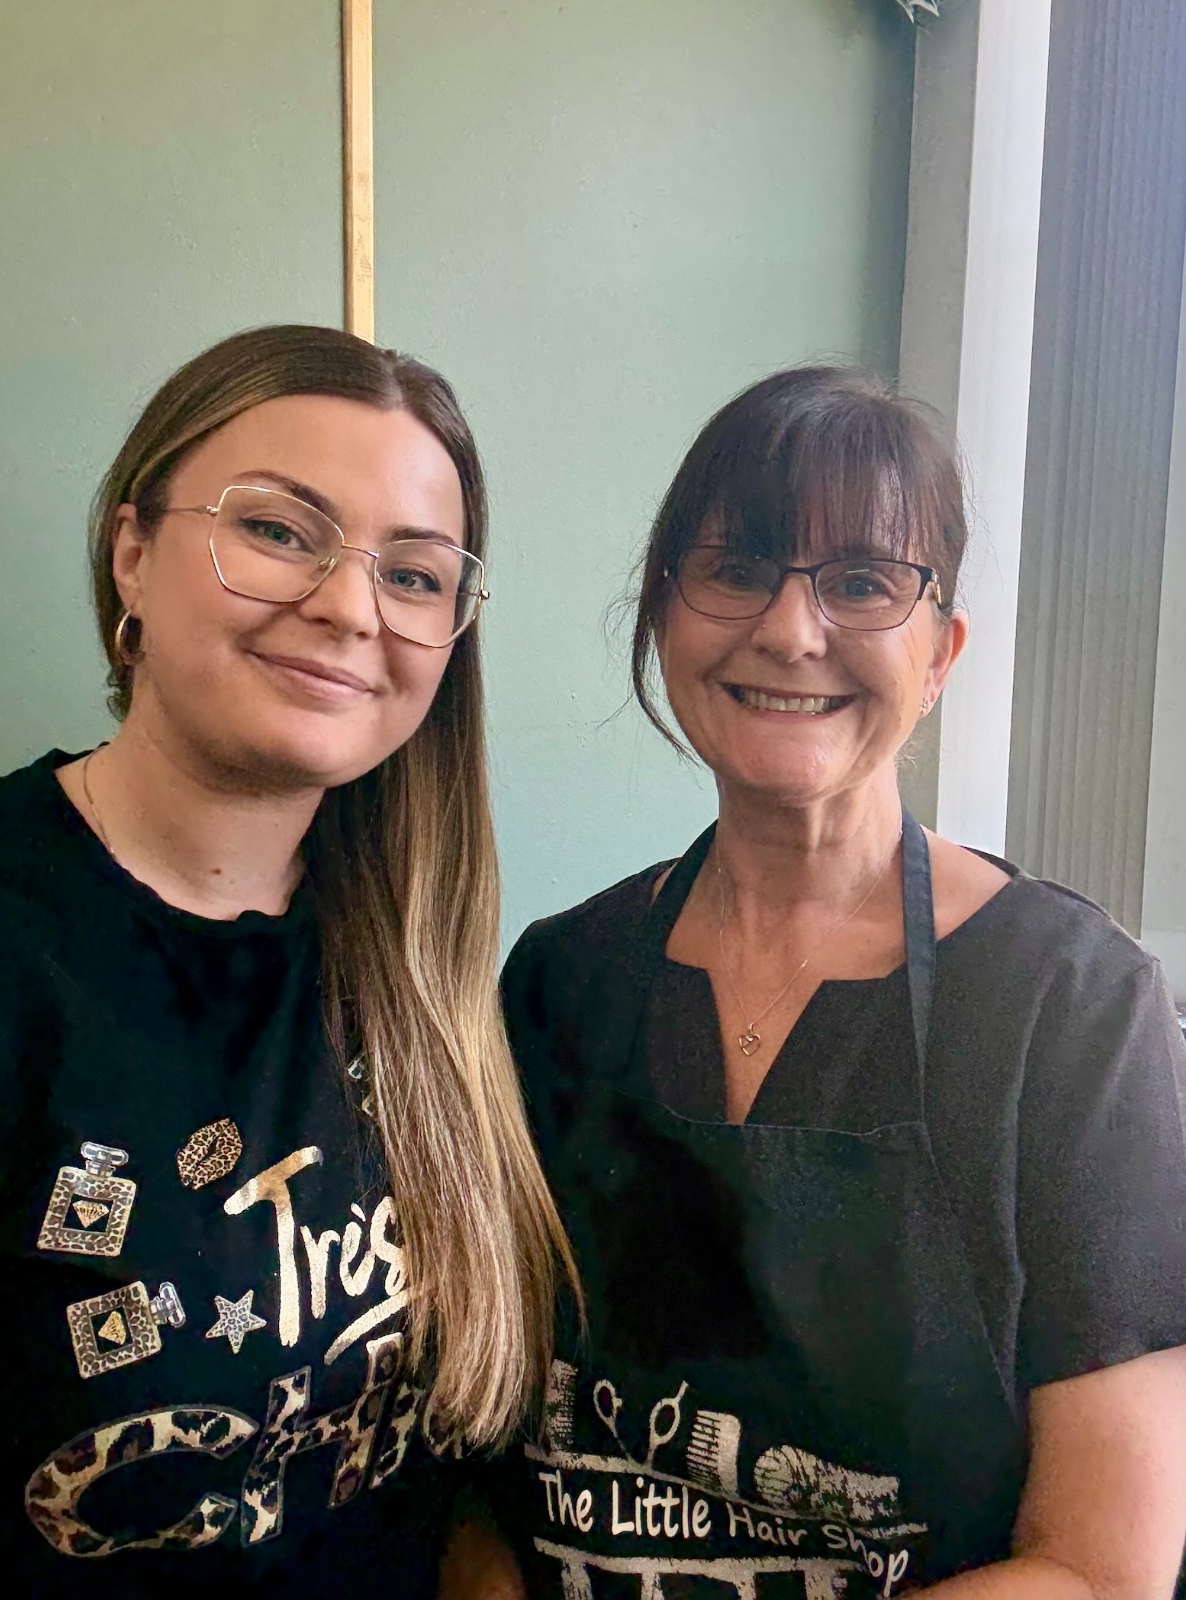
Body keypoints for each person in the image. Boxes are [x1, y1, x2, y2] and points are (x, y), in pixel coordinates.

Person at [496, 368, 1186, 1597]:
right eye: (738, 566)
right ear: (664, 617)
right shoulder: (559, 979)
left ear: (940, 653)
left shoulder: (1069, 1004)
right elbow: (479, 1478)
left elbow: (1101, 1564)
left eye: (863, 582)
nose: (789, 628)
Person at [0, 324, 575, 1597]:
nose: (348, 604)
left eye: (415, 575)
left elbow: (445, 1468)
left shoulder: (423, 957)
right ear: (132, 550)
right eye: (279, 530)